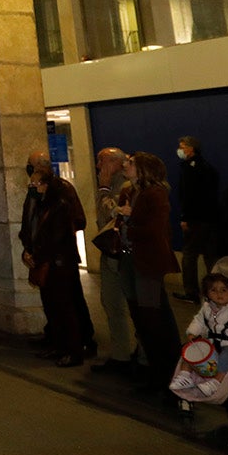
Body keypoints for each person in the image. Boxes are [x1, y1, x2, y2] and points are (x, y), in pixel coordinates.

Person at [18, 151, 96, 355]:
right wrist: (28, 247)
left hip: (59, 259)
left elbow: (73, 223)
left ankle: (81, 341)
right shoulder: (36, 195)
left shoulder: (61, 194)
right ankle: (56, 337)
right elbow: (30, 222)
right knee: (52, 302)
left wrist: (44, 250)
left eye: (32, 165)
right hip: (42, 255)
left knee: (69, 301)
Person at [116, 152, 182, 394]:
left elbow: (155, 229)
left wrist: (129, 221)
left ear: (143, 169)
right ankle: (154, 370)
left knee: (153, 317)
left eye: (131, 163)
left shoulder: (155, 193)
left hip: (147, 262)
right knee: (141, 316)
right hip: (131, 259)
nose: (126, 165)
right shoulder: (133, 191)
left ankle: (166, 373)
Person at [26, 169, 89, 366]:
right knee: (51, 306)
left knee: (65, 307)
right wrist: (29, 251)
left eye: (35, 184)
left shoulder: (60, 207)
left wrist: (37, 255)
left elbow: (57, 238)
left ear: (46, 185)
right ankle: (58, 345)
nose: (32, 187)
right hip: (47, 262)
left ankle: (74, 350)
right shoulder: (41, 205)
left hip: (59, 264)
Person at [169, 272, 228, 396]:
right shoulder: (207, 308)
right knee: (189, 349)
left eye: (224, 290)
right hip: (211, 343)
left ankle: (216, 381)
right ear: (207, 294)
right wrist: (193, 333)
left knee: (227, 356)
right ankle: (185, 375)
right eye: (213, 290)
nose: (219, 294)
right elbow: (198, 321)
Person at [92, 146, 138, 374]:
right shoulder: (110, 183)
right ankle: (120, 354)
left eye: (103, 161)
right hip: (109, 250)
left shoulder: (126, 186)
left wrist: (103, 188)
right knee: (110, 302)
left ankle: (140, 357)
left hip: (124, 253)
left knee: (133, 305)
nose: (99, 166)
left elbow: (108, 212)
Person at [175, 135, 221, 304]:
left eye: (182, 146)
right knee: (210, 256)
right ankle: (217, 291)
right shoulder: (208, 167)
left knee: (189, 255)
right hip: (211, 218)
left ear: (190, 149)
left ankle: (191, 292)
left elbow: (189, 195)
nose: (179, 150)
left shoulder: (191, 168)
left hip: (196, 219)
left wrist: (185, 217)